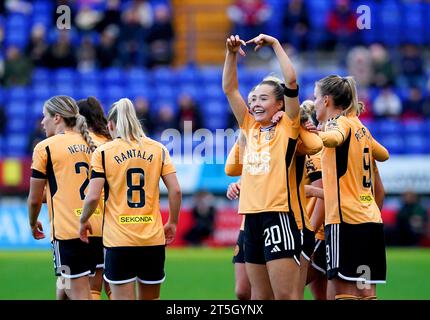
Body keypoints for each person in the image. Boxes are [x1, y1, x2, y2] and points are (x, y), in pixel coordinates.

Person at [223, 33, 302, 300]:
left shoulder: (288, 125)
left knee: (285, 296)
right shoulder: (249, 126)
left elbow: (290, 81)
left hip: (278, 215)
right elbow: (230, 89)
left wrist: (276, 44)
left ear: (280, 104)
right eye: (253, 98)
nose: (255, 103)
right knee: (259, 297)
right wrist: (231, 54)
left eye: (263, 98)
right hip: (251, 218)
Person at [79, 98, 181, 300]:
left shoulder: (103, 152)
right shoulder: (158, 149)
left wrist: (83, 221)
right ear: (136, 121)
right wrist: (172, 222)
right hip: (152, 240)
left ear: (110, 125)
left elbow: (92, 197)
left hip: (119, 241)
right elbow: (176, 191)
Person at [307, 75, 390, 300]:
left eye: (315, 97)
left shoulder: (339, 123)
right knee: (366, 290)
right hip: (370, 219)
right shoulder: (360, 127)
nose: (313, 103)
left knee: (344, 291)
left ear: (326, 100)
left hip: (344, 220)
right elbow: (384, 154)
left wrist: (319, 135)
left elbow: (335, 138)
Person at [27, 95, 97, 300]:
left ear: (57, 118)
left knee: (79, 294)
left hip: (68, 233)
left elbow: (34, 198)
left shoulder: (45, 147)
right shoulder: (92, 145)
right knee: (65, 289)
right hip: (95, 230)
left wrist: (32, 222)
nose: (42, 122)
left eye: (45, 116)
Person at [76, 97, 111, 300]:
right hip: (109, 223)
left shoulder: (69, 143)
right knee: (114, 286)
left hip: (81, 221)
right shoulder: (111, 143)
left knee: (89, 289)